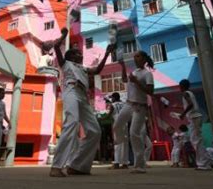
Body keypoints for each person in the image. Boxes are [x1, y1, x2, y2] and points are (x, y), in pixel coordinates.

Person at [50, 27, 114, 177]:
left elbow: (97, 70)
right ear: (71, 56)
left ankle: (77, 166)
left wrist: (107, 54)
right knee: (71, 123)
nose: (80, 54)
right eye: (77, 53)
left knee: (95, 131)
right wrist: (63, 36)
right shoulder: (66, 64)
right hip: (71, 91)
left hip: (83, 96)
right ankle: (56, 166)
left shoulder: (84, 69)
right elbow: (56, 47)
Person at [113, 51, 155, 174]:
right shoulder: (135, 72)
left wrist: (136, 82)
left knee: (134, 134)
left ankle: (140, 166)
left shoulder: (147, 74)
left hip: (140, 107)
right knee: (117, 125)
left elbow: (150, 92)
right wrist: (122, 66)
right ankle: (120, 141)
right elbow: (125, 80)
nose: (135, 58)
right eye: (134, 56)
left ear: (144, 59)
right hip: (128, 104)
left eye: (138, 56)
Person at [178, 79, 212, 171]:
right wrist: (181, 108)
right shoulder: (190, 93)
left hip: (194, 117)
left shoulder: (185, 93)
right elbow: (190, 105)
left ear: (181, 86)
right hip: (196, 117)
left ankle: (203, 164)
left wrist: (183, 114)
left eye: (179, 86)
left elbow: (190, 105)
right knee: (197, 140)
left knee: (196, 141)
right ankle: (205, 163)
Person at [108, 92, 128, 170]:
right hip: (124, 124)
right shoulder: (124, 104)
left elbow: (109, 115)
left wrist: (101, 119)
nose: (111, 99)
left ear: (114, 98)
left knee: (117, 143)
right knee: (125, 143)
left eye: (112, 98)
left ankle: (116, 163)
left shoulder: (112, 105)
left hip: (117, 124)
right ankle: (125, 163)